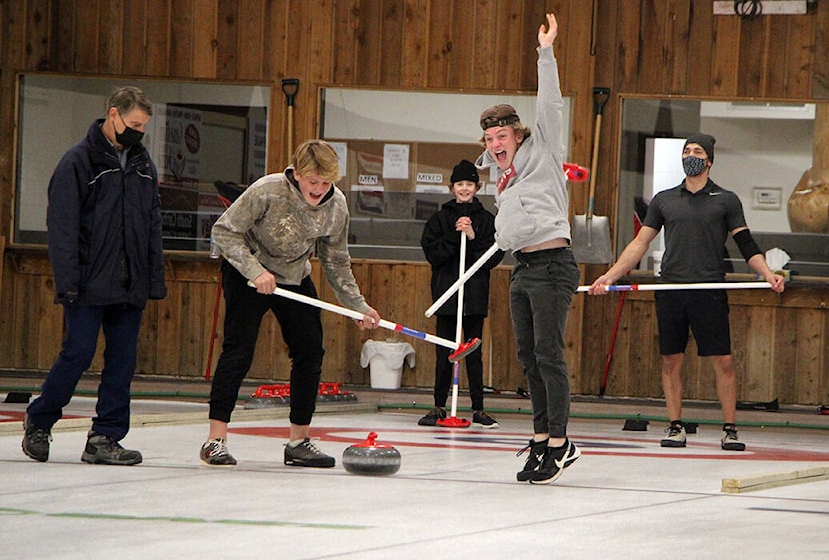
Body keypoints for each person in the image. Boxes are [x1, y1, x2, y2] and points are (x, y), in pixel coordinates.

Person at [589, 133, 785, 450]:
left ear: (708, 160)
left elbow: (746, 244)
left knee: (723, 361)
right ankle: (675, 426)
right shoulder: (664, 200)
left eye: (696, 151)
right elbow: (640, 243)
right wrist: (610, 276)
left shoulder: (726, 199)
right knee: (671, 360)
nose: (690, 155)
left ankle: (730, 428)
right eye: (686, 150)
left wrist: (768, 275)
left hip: (709, 288)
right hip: (671, 288)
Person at [200, 139, 380, 467]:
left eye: (326, 183)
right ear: (296, 174)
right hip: (248, 272)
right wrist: (255, 271)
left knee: (310, 351)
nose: (319, 189)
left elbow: (336, 260)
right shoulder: (267, 191)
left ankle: (299, 441)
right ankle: (216, 439)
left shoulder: (336, 205)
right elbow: (225, 232)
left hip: (295, 275)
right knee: (238, 350)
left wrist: (357, 305)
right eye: (313, 182)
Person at [22, 86, 167, 465]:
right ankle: (39, 420)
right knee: (78, 354)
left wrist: (152, 279)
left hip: (129, 283)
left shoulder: (143, 166)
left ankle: (105, 436)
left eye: (144, 127)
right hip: (87, 282)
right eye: (134, 124)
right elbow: (63, 228)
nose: (139, 132)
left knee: (122, 362)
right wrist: (68, 281)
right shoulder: (78, 162)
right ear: (113, 115)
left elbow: (152, 225)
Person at [475, 13, 581, 484]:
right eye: (489, 139)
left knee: (548, 353)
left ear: (518, 134)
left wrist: (545, 53)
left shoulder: (543, 151)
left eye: (502, 136)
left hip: (554, 264)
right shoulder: (500, 177)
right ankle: (541, 437)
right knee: (528, 357)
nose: (496, 144)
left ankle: (561, 442)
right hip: (523, 268)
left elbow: (550, 103)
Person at [419, 160, 504, 428]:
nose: (464, 189)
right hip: (447, 295)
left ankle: (478, 408)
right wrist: (456, 236)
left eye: (469, 184)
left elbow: (493, 256)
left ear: (477, 187)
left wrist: (472, 235)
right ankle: (439, 405)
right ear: (452, 187)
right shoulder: (440, 219)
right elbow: (434, 255)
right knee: (445, 350)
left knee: (474, 354)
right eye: (460, 184)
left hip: (474, 297)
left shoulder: (488, 220)